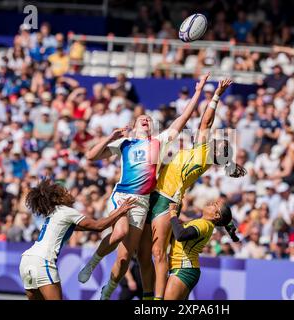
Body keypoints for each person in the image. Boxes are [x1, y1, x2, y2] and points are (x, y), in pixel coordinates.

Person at [78, 73, 211, 300]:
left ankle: (108, 290)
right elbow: (90, 155)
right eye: (142, 118)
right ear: (134, 125)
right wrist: (110, 136)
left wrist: (198, 92)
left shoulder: (159, 141)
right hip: (123, 195)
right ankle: (93, 263)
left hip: (142, 202)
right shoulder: (125, 143)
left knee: (125, 258)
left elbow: (183, 118)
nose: (146, 119)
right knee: (119, 231)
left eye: (149, 118)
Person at [138, 79, 246, 300]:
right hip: (154, 191)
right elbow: (206, 121)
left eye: (221, 145)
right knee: (144, 252)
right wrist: (216, 95)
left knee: (158, 253)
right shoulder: (201, 148)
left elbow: (206, 123)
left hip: (167, 200)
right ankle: (149, 295)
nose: (217, 141)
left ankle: (155, 301)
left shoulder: (203, 159)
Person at [19, 179, 136, 300]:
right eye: (65, 192)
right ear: (59, 198)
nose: (69, 192)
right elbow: (99, 226)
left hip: (26, 261)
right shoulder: (66, 211)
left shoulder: (55, 213)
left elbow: (94, 225)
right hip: (42, 262)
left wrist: (116, 214)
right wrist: (121, 210)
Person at [163, 201, 238, 300]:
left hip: (183, 268)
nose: (210, 203)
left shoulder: (203, 224)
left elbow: (181, 235)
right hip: (186, 268)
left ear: (216, 215)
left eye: (214, 204)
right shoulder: (205, 224)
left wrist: (173, 214)